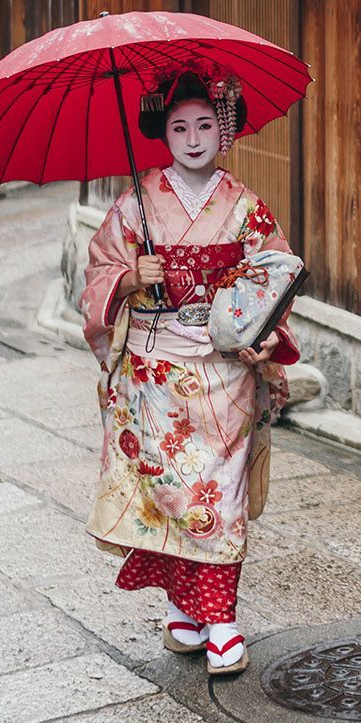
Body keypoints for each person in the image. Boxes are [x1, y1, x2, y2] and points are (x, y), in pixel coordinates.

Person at [79, 69, 295, 675]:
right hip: (155, 371)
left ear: (222, 130)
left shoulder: (244, 205)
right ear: (162, 133)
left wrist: (260, 333)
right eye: (179, 126)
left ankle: (221, 618)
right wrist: (127, 279)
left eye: (204, 124)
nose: (193, 137)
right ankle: (184, 607)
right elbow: (96, 273)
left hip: (223, 368)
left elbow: (276, 273)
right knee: (167, 492)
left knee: (216, 495)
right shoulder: (135, 204)